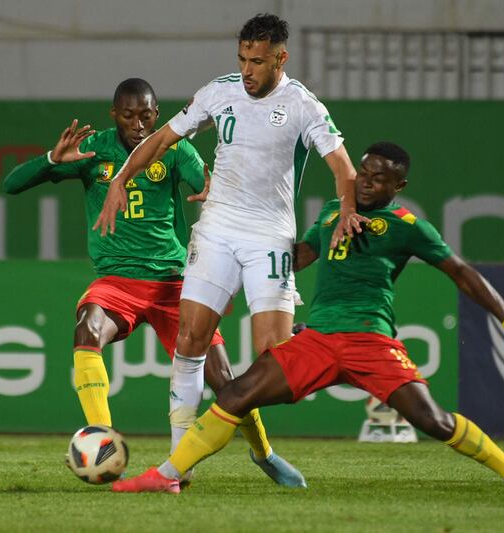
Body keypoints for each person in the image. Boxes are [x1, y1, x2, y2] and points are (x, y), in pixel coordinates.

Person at [112, 141, 504, 496]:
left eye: (378, 178)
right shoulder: (334, 212)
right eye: (363, 173)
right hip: (316, 340)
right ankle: (166, 474)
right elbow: (299, 256)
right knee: (235, 393)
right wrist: (229, 272)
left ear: (398, 186)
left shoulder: (408, 227)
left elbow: (463, 273)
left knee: (434, 421)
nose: (366, 183)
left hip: (372, 342)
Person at [93, 13, 366, 478]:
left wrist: (346, 208)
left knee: (274, 361)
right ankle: (179, 464)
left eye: (256, 61)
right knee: (190, 341)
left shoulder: (303, 105)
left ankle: (309, 350)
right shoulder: (218, 92)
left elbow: (343, 166)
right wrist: (121, 179)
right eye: (241, 59)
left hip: (269, 236)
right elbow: (161, 140)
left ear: (281, 58)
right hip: (217, 228)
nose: (247, 70)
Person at [2, 78, 304, 487]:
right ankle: (103, 441)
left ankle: (263, 453)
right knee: (86, 330)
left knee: (226, 383)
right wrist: (52, 160)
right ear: (114, 114)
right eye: (128, 115)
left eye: (146, 115)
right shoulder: (95, 151)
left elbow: (210, 186)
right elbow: (11, 184)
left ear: (157, 114)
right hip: (116, 283)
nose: (138, 124)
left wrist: (213, 193)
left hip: (174, 283)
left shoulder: (176, 148)